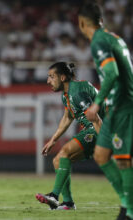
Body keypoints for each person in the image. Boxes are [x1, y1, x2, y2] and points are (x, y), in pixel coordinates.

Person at [78, 3, 133, 220]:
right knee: (101, 155)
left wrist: (97, 103)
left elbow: (111, 73)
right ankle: (126, 203)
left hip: (122, 105)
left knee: (123, 159)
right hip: (117, 105)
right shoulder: (113, 38)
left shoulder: (99, 41)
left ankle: (129, 210)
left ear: (82, 23)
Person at [35, 62, 104, 210]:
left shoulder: (77, 92)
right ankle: (68, 203)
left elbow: (96, 119)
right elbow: (67, 117)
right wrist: (53, 140)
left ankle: (54, 195)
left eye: (51, 77)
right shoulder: (67, 94)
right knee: (58, 161)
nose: (48, 81)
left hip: (99, 129)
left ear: (63, 77)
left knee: (65, 153)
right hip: (93, 129)